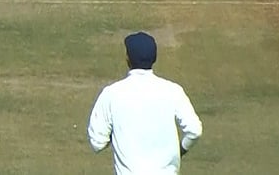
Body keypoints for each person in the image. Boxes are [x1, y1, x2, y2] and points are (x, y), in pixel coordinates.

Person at [87, 31, 204, 175]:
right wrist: (180, 151)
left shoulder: (111, 94)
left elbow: (97, 143)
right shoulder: (173, 91)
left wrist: (117, 133)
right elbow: (194, 131)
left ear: (128, 58)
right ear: (154, 58)